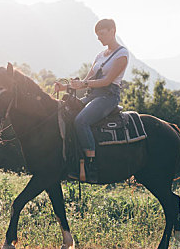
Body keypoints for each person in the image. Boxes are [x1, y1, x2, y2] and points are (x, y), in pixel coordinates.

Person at [54, 19, 129, 181]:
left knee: (81, 121)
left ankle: (91, 164)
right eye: (97, 35)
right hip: (92, 95)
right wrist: (64, 87)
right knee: (66, 113)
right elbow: (85, 81)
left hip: (108, 96)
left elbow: (107, 81)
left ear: (112, 31)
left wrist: (84, 83)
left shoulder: (122, 54)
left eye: (102, 34)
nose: (99, 38)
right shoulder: (100, 56)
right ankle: (72, 157)